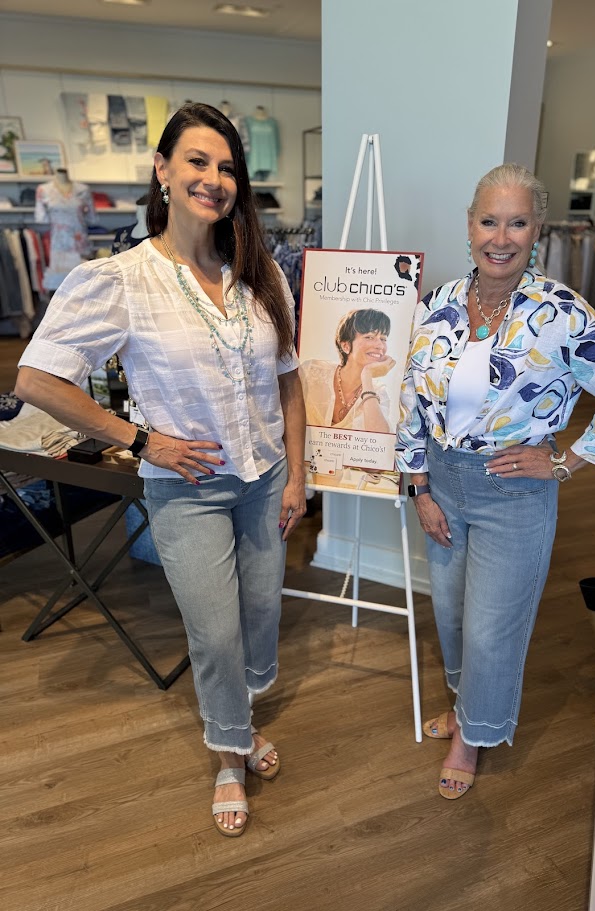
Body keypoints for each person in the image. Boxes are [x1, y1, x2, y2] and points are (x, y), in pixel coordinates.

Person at [15, 102, 307, 837]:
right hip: (189, 489)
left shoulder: (260, 274)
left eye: (227, 167)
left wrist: (298, 476)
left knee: (260, 616)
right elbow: (37, 379)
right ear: (163, 171)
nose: (214, 179)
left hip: (266, 478)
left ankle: (240, 721)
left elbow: (289, 382)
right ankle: (229, 753)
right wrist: (141, 440)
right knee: (214, 632)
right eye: (198, 161)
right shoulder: (121, 279)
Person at [395, 163, 595, 801]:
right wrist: (419, 488)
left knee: (492, 627)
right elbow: (411, 399)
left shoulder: (560, 313)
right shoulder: (437, 302)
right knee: (452, 615)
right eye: (489, 221)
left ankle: (474, 734)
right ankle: (466, 706)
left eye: (516, 223)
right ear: (470, 225)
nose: (501, 237)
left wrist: (567, 460)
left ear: (537, 230)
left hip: (513, 494)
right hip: (442, 483)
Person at [299, 308, 395, 432]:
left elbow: (379, 439)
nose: (380, 346)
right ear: (346, 346)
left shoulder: (378, 392)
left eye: (383, 339)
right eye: (369, 337)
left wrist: (367, 375)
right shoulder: (310, 372)